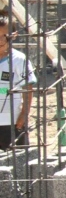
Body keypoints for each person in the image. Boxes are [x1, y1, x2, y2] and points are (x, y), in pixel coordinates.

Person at [0, 12, 35, 149]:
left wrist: (24, 113)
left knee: (17, 156)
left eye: (4, 36)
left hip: (12, 121)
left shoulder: (19, 60)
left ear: (13, 35)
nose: (0, 41)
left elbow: (28, 88)